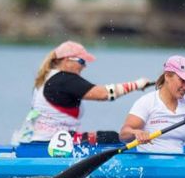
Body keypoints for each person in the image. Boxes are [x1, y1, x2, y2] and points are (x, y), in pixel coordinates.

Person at [16, 41, 150, 144]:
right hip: (50, 142)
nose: (84, 66)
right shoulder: (64, 79)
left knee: (109, 136)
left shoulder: (46, 77)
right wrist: (136, 84)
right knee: (113, 138)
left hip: (36, 139)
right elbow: (104, 94)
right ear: (66, 60)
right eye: (81, 61)